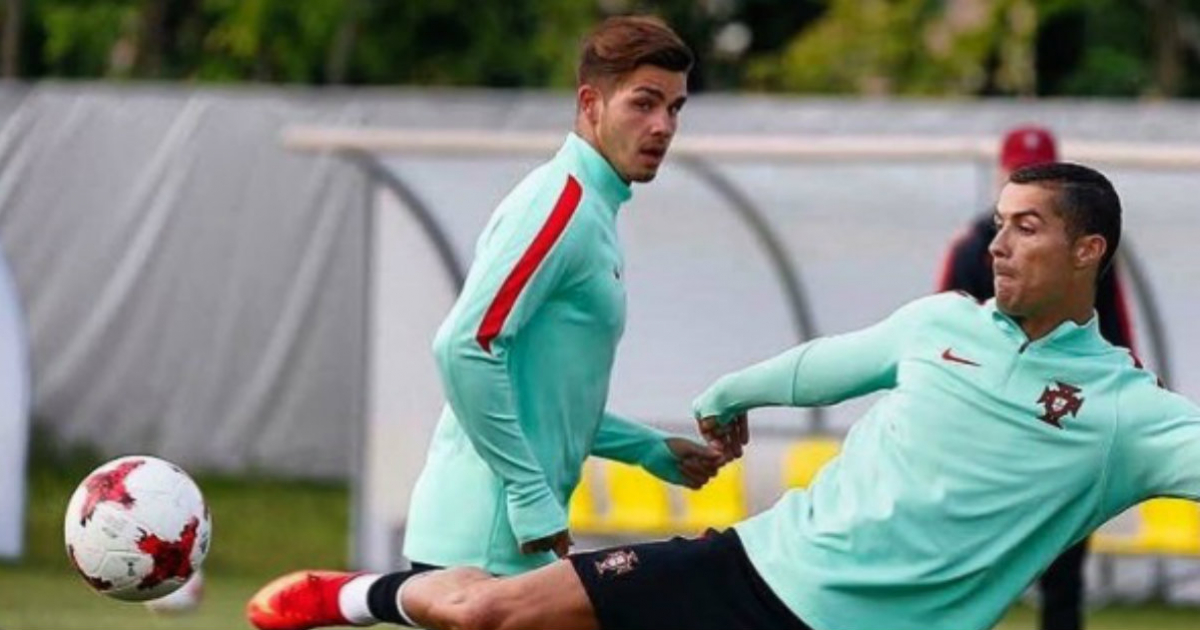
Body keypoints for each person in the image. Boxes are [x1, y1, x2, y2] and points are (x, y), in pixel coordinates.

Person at [251, 162, 1200, 630]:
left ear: (1088, 253)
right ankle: (345, 595)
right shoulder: (941, 324)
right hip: (751, 568)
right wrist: (725, 396)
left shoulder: (1126, 413)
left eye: (1025, 228)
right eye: (997, 223)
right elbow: (820, 365)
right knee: (489, 614)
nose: (997, 242)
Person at [247, 14, 728, 630]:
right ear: (590, 102)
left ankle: (352, 598)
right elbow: (464, 347)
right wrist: (529, 494)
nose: (663, 125)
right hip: (485, 535)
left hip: (513, 535)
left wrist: (648, 450)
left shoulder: (595, 211)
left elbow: (546, 393)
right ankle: (353, 597)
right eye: (644, 103)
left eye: (675, 108)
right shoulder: (563, 206)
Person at [938, 125, 1136, 630]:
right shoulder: (973, 249)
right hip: (992, 427)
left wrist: (1133, 392)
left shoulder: (1088, 249)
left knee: (1064, 571)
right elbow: (942, 340)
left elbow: (1114, 333)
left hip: (1063, 421)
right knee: (966, 568)